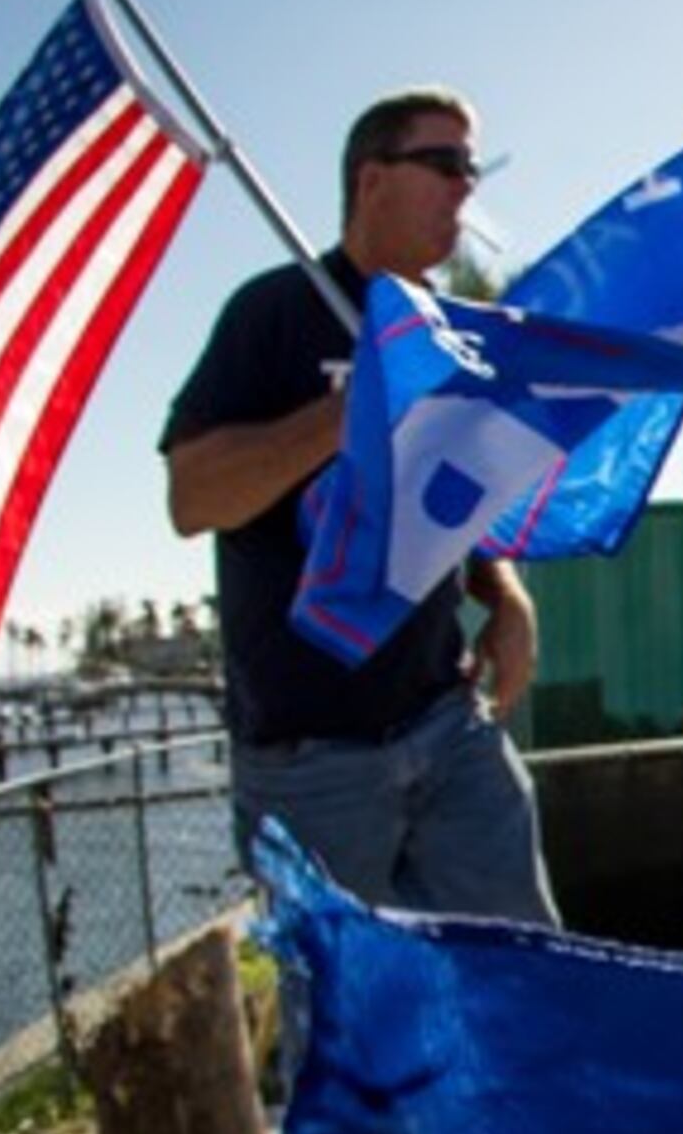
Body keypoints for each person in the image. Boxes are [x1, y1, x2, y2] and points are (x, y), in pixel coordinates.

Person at [160, 88, 560, 924]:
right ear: (372, 179)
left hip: (446, 722)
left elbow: (459, 503)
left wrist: (509, 597)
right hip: (313, 761)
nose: (465, 188)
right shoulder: (272, 313)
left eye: (472, 168)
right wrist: (350, 412)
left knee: (525, 968)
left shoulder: (450, 333)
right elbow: (195, 498)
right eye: (445, 163)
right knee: (351, 1016)